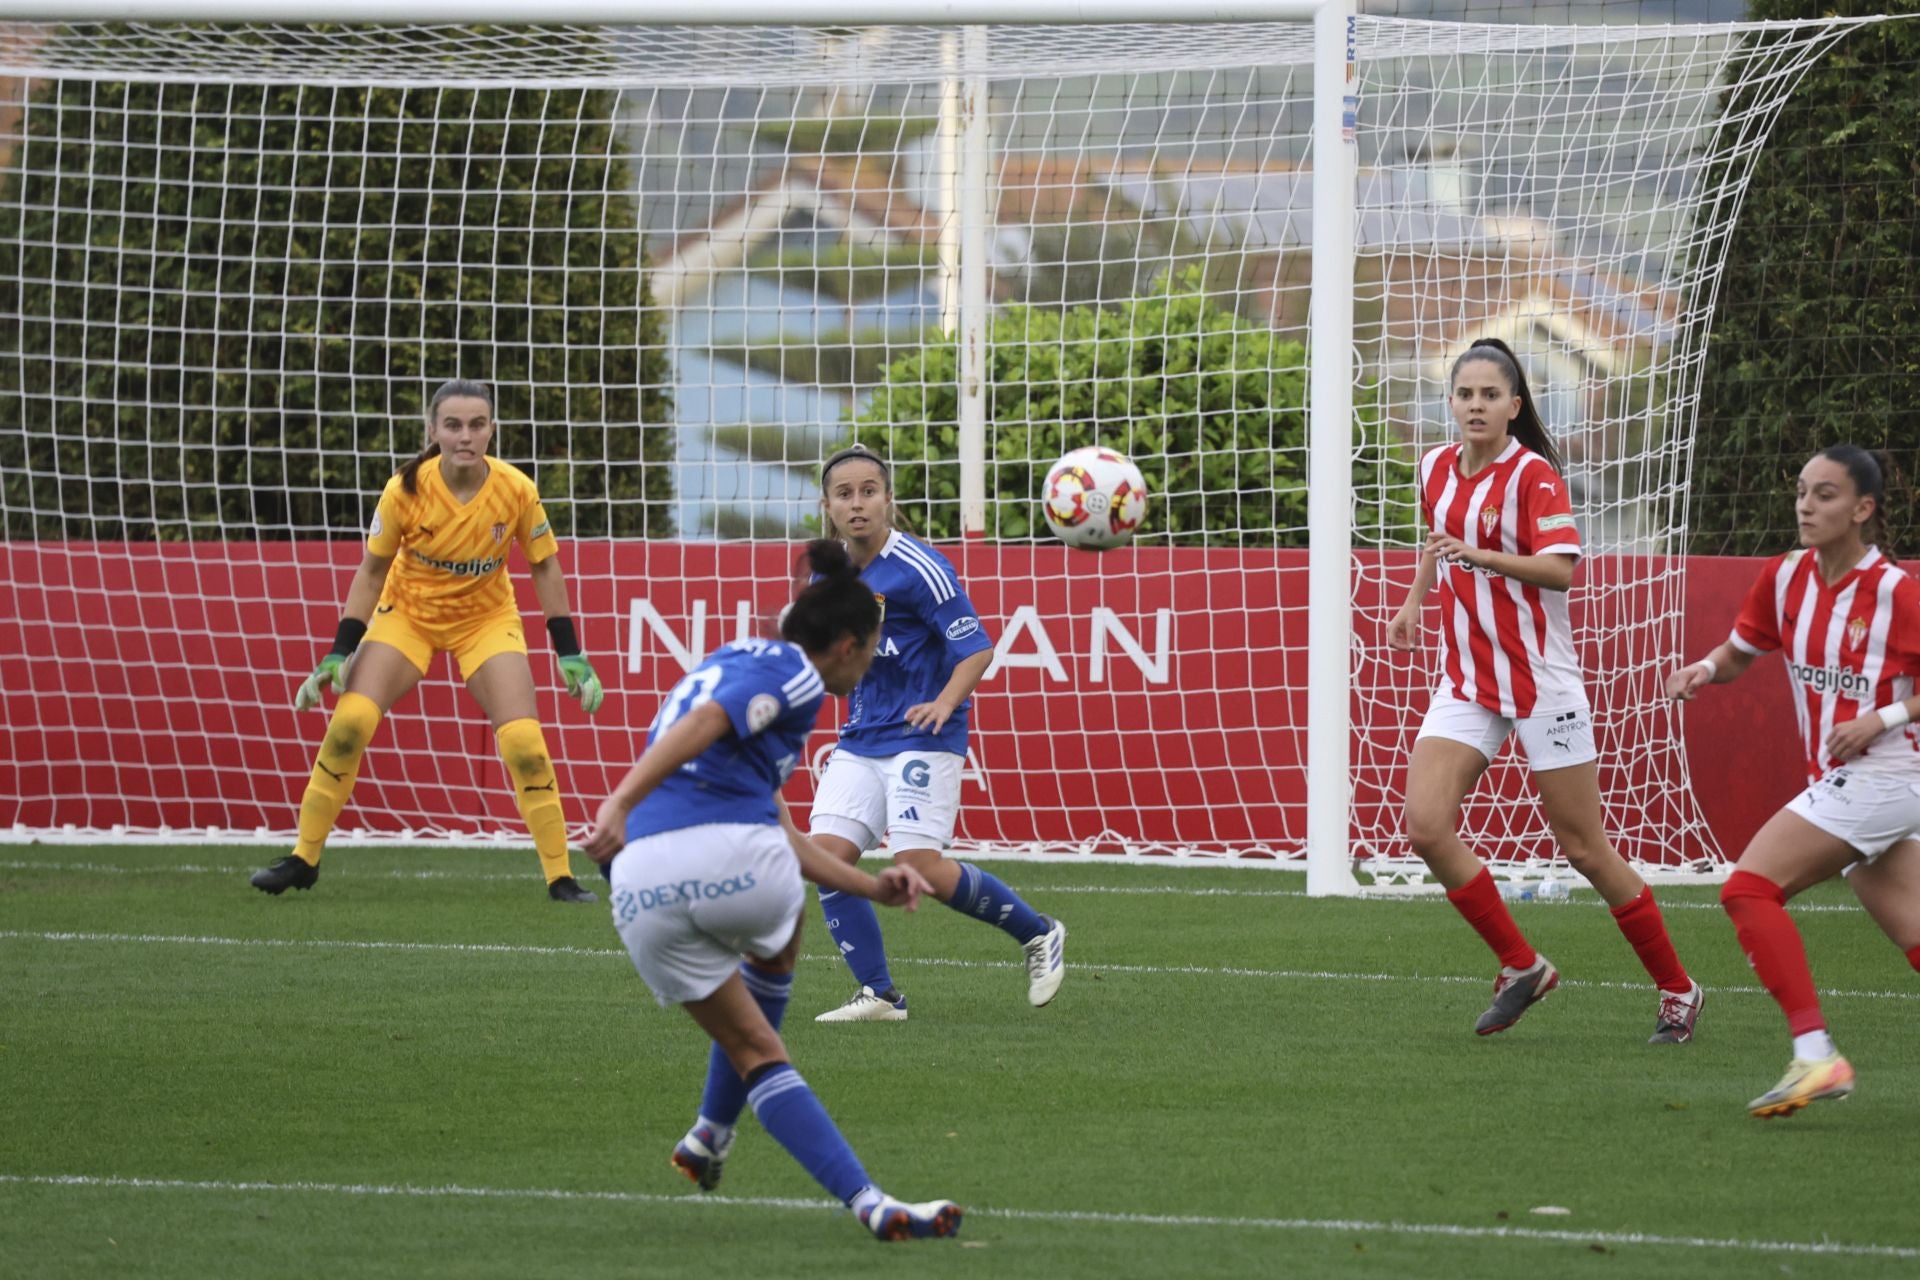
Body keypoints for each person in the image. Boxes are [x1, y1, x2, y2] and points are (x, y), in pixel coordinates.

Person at [582, 539, 961, 1243]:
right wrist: (618, 801)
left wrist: (870, 886)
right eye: (873, 647)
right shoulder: (795, 676)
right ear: (846, 645)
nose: (875, 659)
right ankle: (853, 1194)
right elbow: (710, 724)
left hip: (637, 887)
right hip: (721, 855)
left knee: (755, 1044)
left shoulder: (731, 657)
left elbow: (781, 832)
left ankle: (718, 1140)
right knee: (774, 952)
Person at [1388, 338, 1702, 1040]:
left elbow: (1561, 570)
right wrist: (1414, 600)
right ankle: (1523, 966)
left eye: (1490, 395)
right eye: (1465, 394)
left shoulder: (1533, 477)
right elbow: (1438, 541)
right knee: (1425, 827)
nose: (1476, 405)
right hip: (1468, 679)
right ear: (1452, 403)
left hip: (1541, 684)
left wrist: (1483, 556)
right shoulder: (1435, 466)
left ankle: (1679, 990)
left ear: (1514, 406)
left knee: (1584, 848)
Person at [250, 378, 605, 903]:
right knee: (348, 725)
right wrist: (338, 653)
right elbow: (372, 572)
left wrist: (570, 652)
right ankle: (303, 858)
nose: (466, 436)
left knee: (526, 745)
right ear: (433, 430)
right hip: (407, 618)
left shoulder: (516, 489)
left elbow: (545, 566)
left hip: (485, 621)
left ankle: (560, 877)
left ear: (492, 431)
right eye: (454, 425)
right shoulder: (405, 489)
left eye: (477, 425)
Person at [1667, 444, 1920, 1117]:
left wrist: (1881, 718)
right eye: (1803, 490)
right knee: (1915, 933)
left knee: (1749, 890)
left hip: (1887, 773)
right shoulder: (1785, 579)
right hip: (1855, 781)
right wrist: (1704, 669)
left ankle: (1816, 1056)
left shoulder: (1895, 591)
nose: (1807, 505)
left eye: (1826, 494)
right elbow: (1740, 651)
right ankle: (1815, 1057)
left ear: (1863, 510)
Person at [803, 444, 1066, 1023]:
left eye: (869, 491)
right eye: (844, 495)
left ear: (888, 499)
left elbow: (977, 649)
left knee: (920, 864)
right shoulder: (828, 571)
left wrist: (944, 703)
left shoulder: (922, 567)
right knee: (825, 859)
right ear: (827, 506)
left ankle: (1039, 933)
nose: (858, 504)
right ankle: (880, 995)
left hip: (924, 735)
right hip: (862, 736)